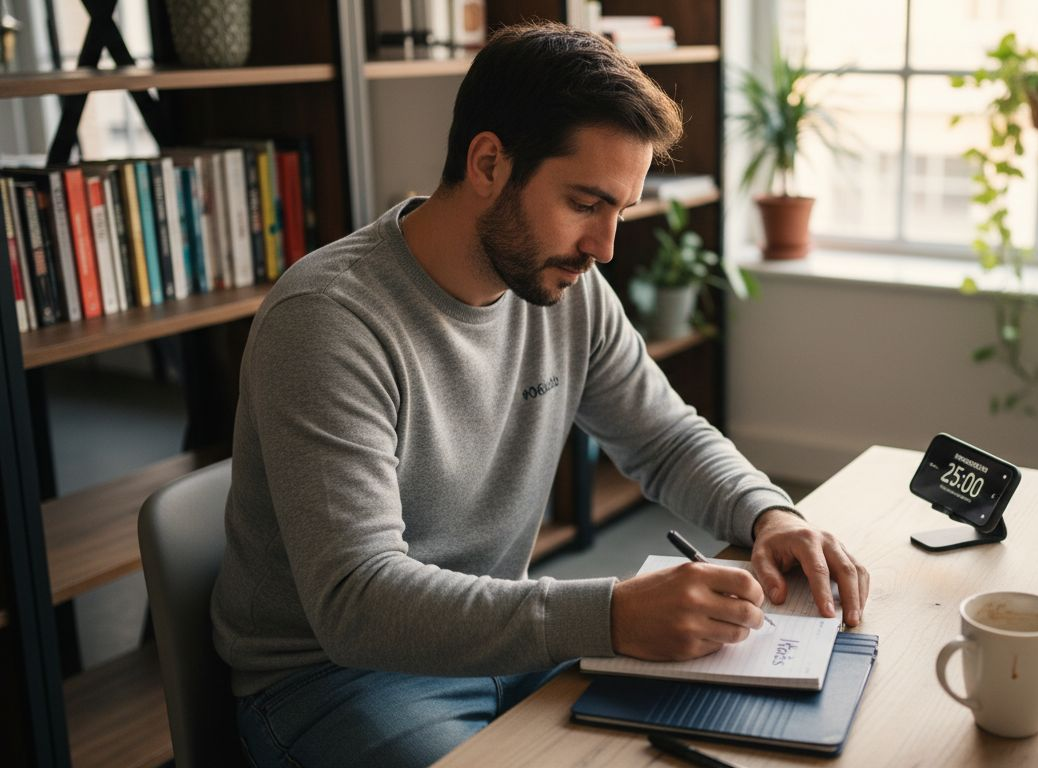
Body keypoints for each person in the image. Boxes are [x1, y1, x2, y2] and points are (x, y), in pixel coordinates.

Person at [213, 22, 869, 768]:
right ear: (489, 164)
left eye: (619, 210)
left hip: (502, 641)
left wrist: (768, 513)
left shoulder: (561, 286)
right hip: (337, 679)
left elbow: (663, 438)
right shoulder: (329, 320)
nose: (605, 247)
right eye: (586, 203)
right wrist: (612, 615)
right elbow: (358, 602)